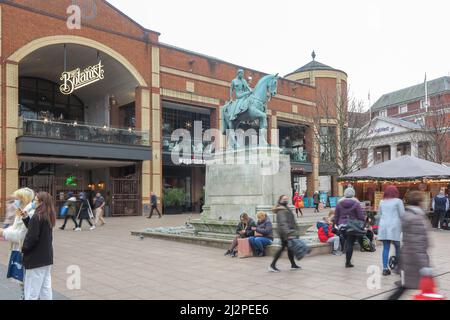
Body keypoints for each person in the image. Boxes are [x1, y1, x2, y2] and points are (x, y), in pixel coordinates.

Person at [388, 191, 431, 300]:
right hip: (415, 261)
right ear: (419, 202)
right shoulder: (416, 218)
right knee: (423, 288)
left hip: (407, 257)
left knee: (404, 286)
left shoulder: (408, 214)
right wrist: (425, 266)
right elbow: (417, 245)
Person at [0, 188, 35, 298]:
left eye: (17, 198)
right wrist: (5, 230)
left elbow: (22, 235)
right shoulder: (21, 211)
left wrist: (3, 233)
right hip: (19, 250)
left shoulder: (29, 213)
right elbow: (15, 228)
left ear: (24, 199)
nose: (15, 200)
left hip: (24, 252)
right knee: (22, 281)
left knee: (26, 281)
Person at [21, 192, 56, 300]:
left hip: (36, 259)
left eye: (35, 200)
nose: (33, 202)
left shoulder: (37, 216)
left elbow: (32, 237)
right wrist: (26, 218)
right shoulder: (48, 215)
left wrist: (24, 249)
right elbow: (36, 230)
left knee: (32, 291)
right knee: (45, 289)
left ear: (41, 202)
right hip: (46, 258)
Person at [334, 187, 365, 268]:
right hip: (353, 226)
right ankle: (348, 262)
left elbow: (336, 216)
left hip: (342, 226)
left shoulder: (339, 203)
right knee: (350, 243)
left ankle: (347, 259)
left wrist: (337, 224)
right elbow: (360, 216)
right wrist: (361, 223)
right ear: (353, 194)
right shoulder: (356, 203)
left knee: (347, 242)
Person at [268, 195, 301, 272]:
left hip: (288, 232)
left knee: (289, 249)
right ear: (280, 200)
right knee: (282, 249)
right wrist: (288, 234)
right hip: (285, 233)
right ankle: (272, 265)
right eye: (284, 199)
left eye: (286, 199)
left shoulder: (286, 208)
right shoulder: (281, 210)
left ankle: (293, 265)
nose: (286, 200)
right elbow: (283, 223)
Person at [378, 185, 404, 276]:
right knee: (397, 246)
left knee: (386, 247)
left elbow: (379, 214)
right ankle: (398, 266)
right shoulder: (398, 201)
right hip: (394, 226)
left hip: (384, 226)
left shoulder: (382, 201)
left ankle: (385, 268)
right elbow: (402, 214)